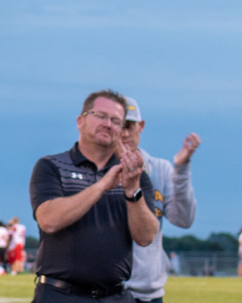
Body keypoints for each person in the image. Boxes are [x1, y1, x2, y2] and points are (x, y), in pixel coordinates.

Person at [30, 90, 160, 302]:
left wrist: (132, 192)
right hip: (61, 294)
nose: (108, 124)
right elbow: (49, 220)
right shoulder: (51, 166)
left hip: (115, 295)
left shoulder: (134, 175)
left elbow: (146, 237)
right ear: (80, 121)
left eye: (116, 121)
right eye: (100, 116)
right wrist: (101, 186)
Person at [120, 97, 200, 303]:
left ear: (142, 126)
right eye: (119, 125)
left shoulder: (159, 169)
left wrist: (181, 169)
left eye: (130, 126)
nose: (125, 133)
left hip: (150, 294)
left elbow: (183, 219)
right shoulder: (98, 170)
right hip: (109, 291)